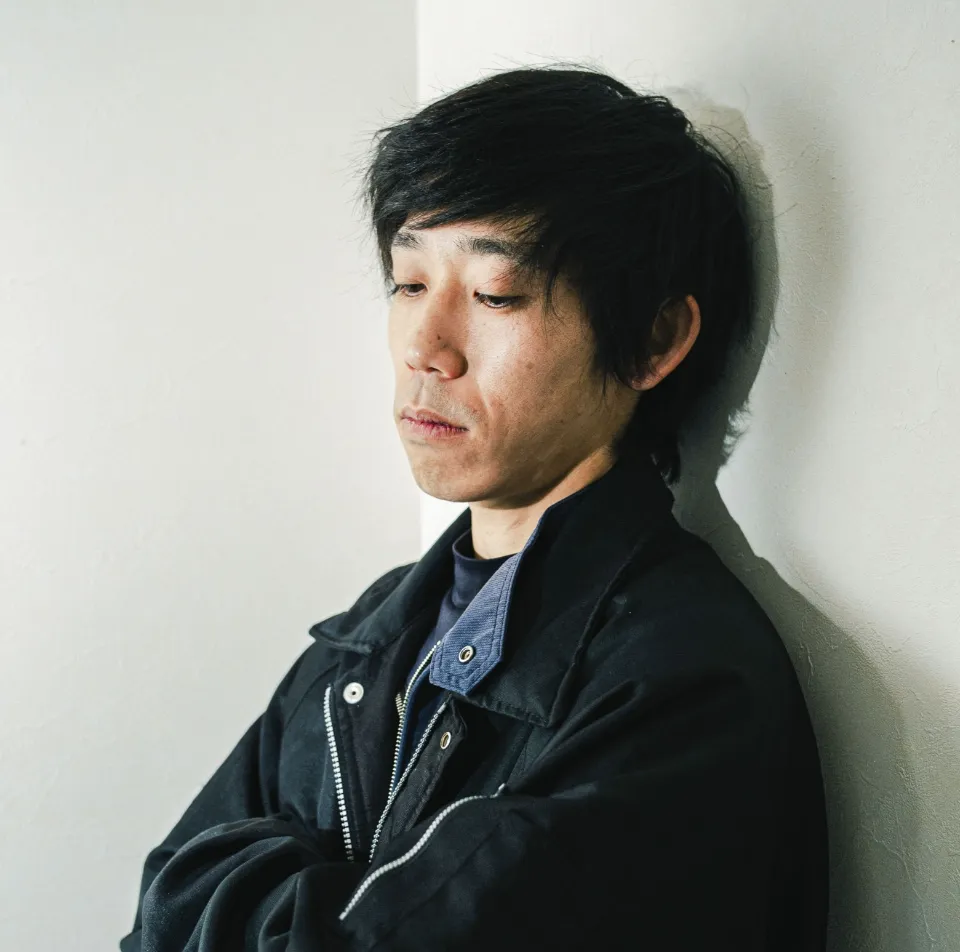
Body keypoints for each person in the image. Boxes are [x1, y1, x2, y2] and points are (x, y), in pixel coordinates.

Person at [120, 65, 828, 951]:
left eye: (495, 294)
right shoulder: (373, 629)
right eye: (408, 282)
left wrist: (276, 889)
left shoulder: (684, 680)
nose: (426, 348)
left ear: (652, 341)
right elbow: (164, 903)